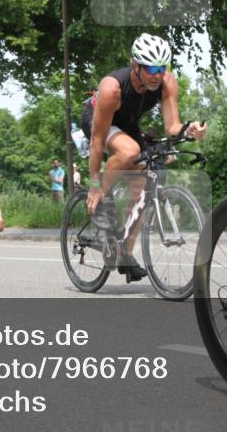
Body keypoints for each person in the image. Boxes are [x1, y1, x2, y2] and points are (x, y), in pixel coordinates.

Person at [82, 33, 207, 282]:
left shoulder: (167, 82)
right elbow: (97, 141)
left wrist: (189, 128)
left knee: (143, 188)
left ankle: (125, 253)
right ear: (135, 65)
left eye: (162, 68)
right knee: (129, 151)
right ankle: (100, 198)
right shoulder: (112, 88)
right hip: (98, 122)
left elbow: (172, 126)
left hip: (128, 126)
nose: (157, 74)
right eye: (150, 68)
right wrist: (95, 183)